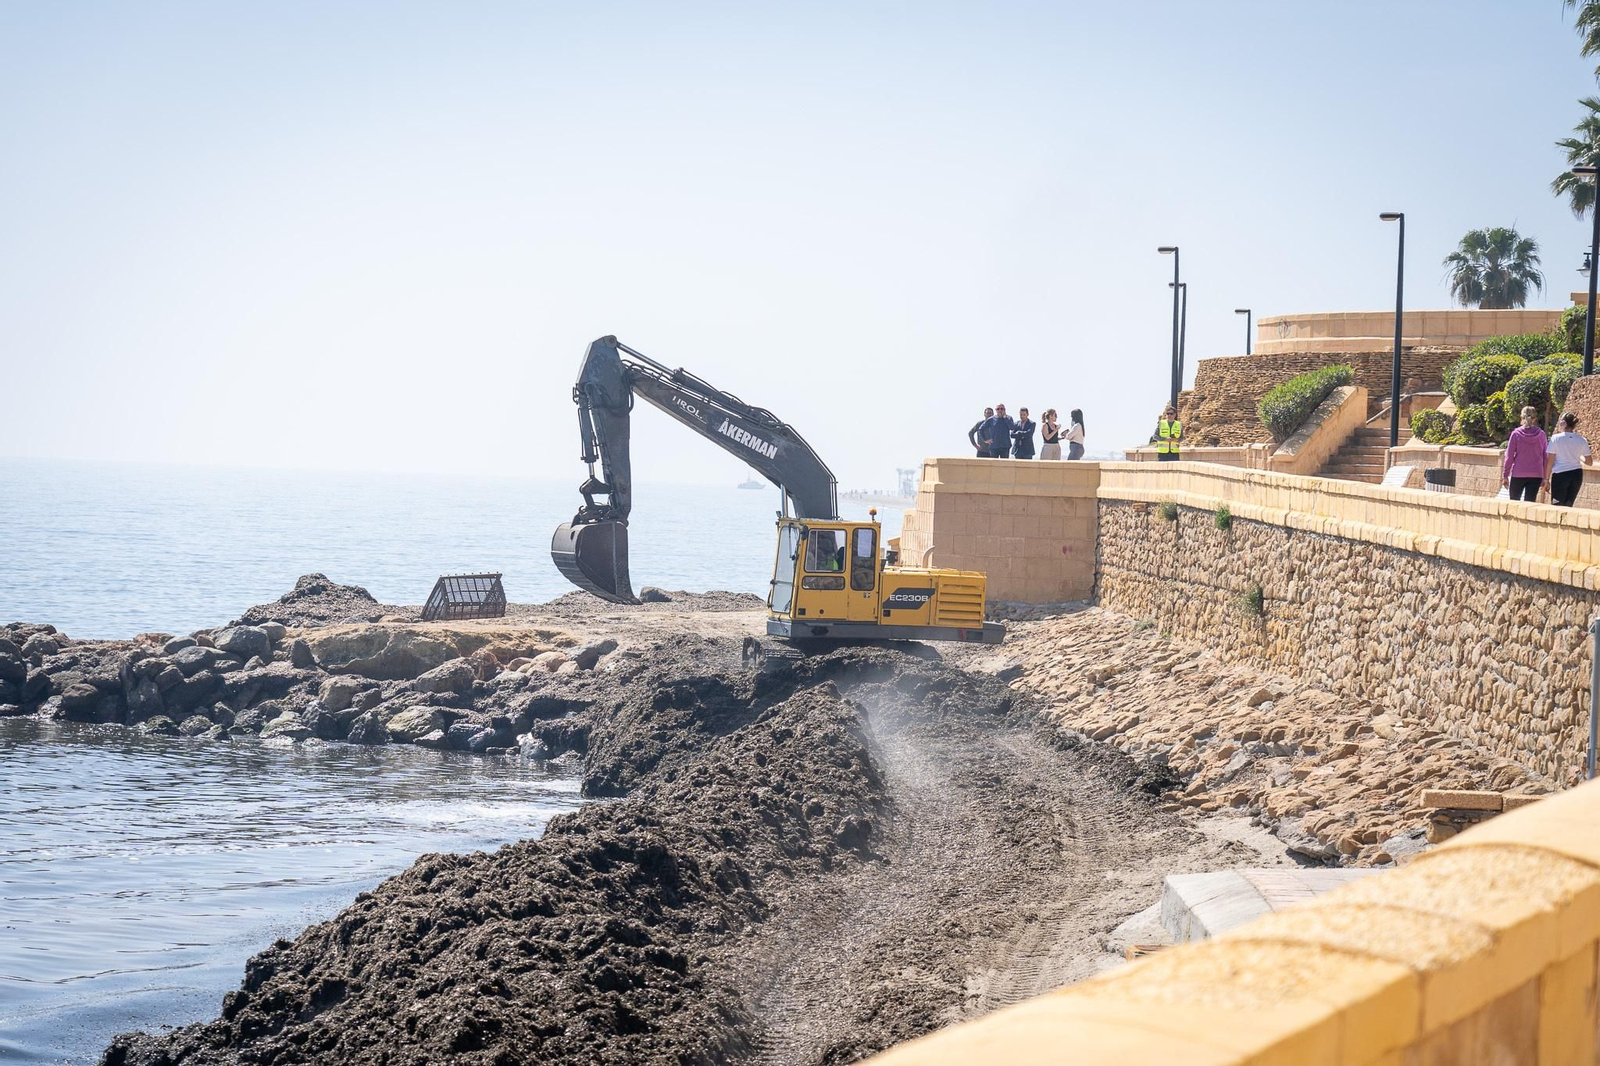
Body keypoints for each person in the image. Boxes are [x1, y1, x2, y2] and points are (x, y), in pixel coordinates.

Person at [1546, 412, 1594, 507]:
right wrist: (1578, 457)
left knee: (1557, 505)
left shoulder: (1555, 438)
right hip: (1576, 474)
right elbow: (1589, 462)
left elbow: (1550, 461)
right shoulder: (1581, 440)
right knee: (1569, 505)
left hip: (1560, 475)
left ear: (1564, 423)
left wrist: (1546, 479)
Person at [1502, 406, 1548, 502]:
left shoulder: (1516, 434)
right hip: (1536, 474)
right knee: (1530, 504)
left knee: (1514, 503)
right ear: (1535, 419)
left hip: (1518, 473)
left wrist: (1505, 475)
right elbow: (1545, 457)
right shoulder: (1541, 434)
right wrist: (1545, 477)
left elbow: (1509, 456)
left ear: (1522, 417)